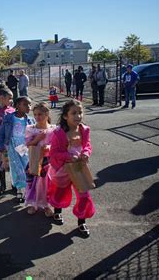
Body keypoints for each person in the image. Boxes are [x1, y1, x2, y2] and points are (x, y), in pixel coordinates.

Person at [47, 100, 95, 237]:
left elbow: (88, 145)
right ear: (65, 116)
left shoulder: (84, 130)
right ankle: (57, 212)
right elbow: (54, 153)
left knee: (84, 195)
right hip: (63, 168)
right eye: (73, 113)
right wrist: (68, 156)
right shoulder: (58, 133)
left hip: (80, 167)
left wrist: (86, 153)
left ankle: (81, 221)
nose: (78, 116)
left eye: (80, 113)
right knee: (60, 192)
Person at [0, 96, 35, 203]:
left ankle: (27, 189)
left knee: (26, 167)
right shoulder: (9, 118)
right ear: (18, 106)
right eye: (25, 104)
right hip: (12, 146)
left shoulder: (30, 120)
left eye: (30, 104)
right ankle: (20, 190)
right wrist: (0, 147)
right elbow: (1, 133)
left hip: (24, 147)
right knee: (16, 168)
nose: (28, 107)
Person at [24, 102, 56, 216]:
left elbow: (58, 145)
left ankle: (46, 205)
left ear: (47, 114)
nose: (37, 117)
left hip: (48, 161)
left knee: (46, 184)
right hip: (35, 160)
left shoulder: (53, 129)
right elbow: (28, 145)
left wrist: (50, 147)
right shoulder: (31, 129)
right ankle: (33, 204)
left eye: (40, 114)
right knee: (33, 183)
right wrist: (37, 139)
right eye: (35, 114)